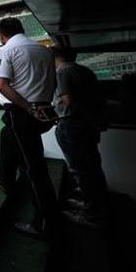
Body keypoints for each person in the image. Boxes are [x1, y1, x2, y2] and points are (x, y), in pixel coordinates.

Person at [0, 17, 58, 238]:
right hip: (44, 110)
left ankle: (45, 222)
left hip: (22, 113)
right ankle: (6, 180)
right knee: (6, 136)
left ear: (2, 35)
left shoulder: (5, 50)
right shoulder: (44, 50)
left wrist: (28, 108)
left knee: (33, 167)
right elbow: (53, 82)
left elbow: (1, 85)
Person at [51, 45, 108, 228]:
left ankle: (92, 215)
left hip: (72, 125)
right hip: (87, 126)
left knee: (81, 170)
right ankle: (92, 205)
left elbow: (68, 101)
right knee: (92, 167)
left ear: (55, 56)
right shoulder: (86, 71)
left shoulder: (62, 72)